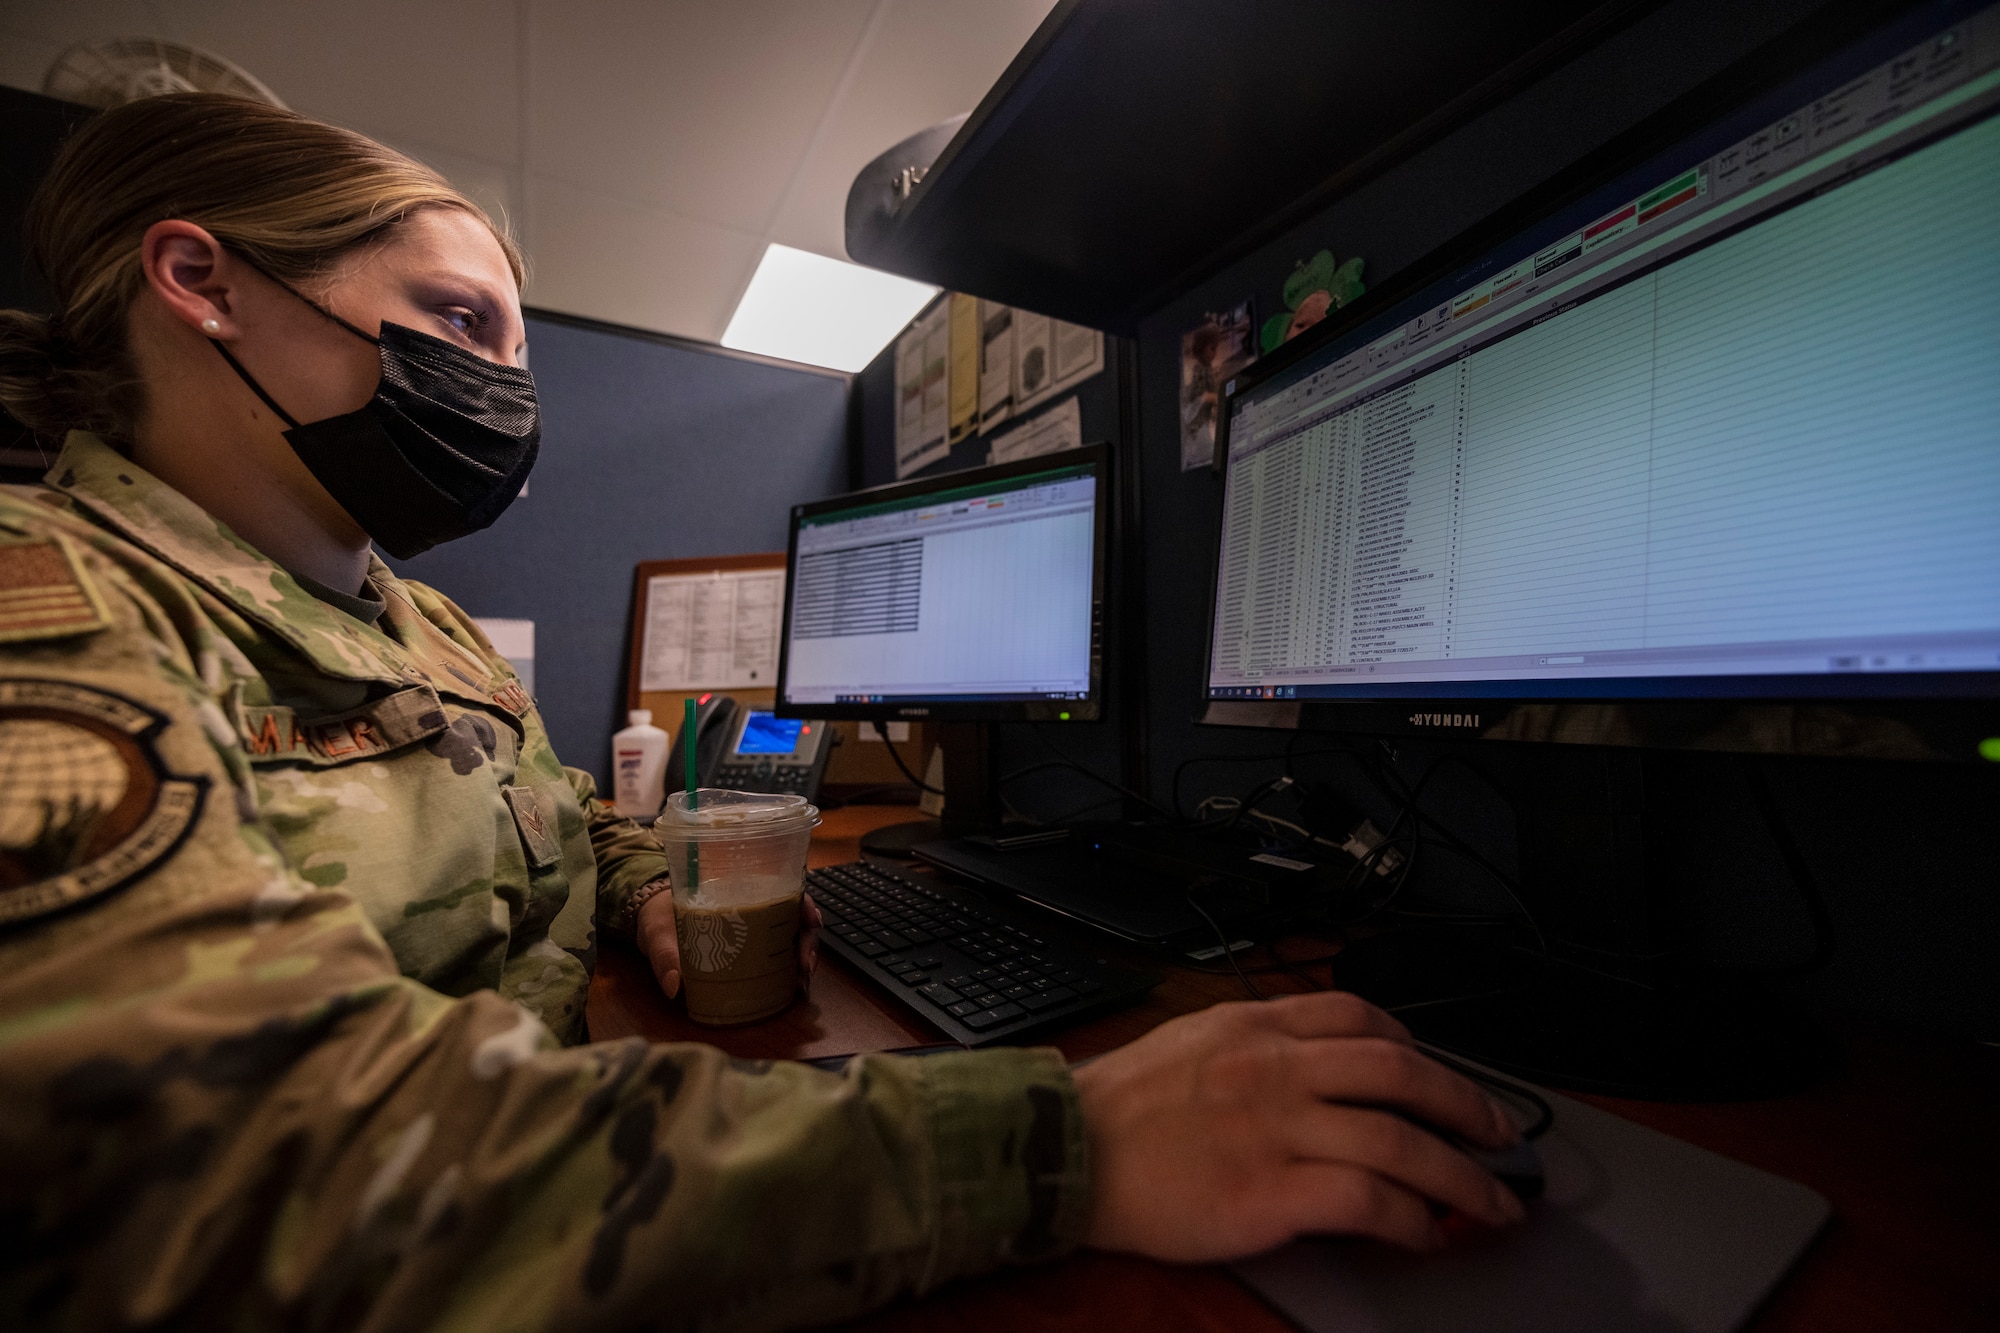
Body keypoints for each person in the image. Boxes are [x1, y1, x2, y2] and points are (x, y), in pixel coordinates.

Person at [0, 93, 1525, 1331]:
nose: (505, 393)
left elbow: (570, 816)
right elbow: (266, 1173)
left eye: (520, 352)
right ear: (199, 282)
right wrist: (1074, 1143)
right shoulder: (56, 618)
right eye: (461, 322)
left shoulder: (413, 619)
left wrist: (658, 889)